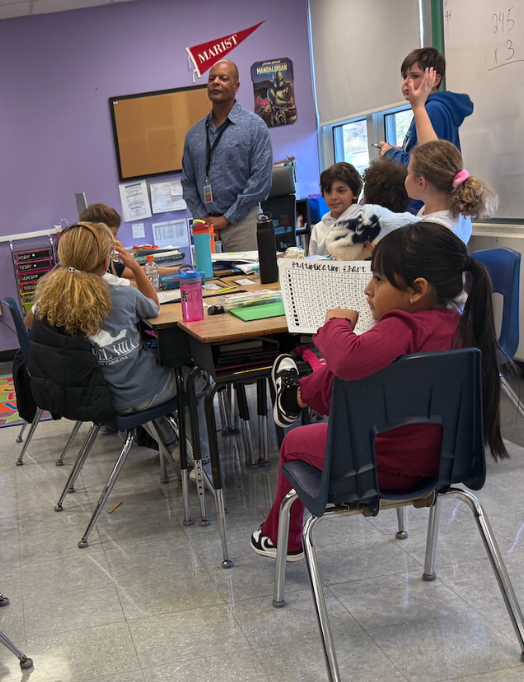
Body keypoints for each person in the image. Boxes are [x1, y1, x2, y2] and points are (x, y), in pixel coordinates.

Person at [251, 222, 506, 560]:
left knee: (295, 439)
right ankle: (296, 394)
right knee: (356, 371)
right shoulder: (463, 324)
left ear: (417, 290)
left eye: (379, 279)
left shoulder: (404, 326)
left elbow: (346, 358)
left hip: (378, 467)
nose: (368, 289)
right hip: (445, 465)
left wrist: (336, 323)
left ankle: (282, 538)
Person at [33, 222, 210, 464]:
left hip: (100, 399)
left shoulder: (54, 304)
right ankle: (200, 458)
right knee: (196, 380)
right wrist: (135, 266)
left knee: (144, 378)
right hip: (139, 393)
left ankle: (170, 445)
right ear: (106, 262)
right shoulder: (124, 295)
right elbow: (154, 307)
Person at [181, 60, 273, 252]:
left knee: (249, 273)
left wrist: (227, 218)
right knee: (206, 272)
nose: (216, 82)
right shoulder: (194, 134)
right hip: (206, 227)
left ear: (236, 86)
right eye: (211, 78)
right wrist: (203, 220)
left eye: (223, 78)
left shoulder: (254, 127)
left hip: (243, 223)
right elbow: (188, 183)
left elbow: (260, 181)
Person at [379, 48, 473, 165]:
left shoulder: (432, 109)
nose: (406, 82)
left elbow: (425, 165)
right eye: (405, 76)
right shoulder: (431, 107)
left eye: (415, 76)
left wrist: (391, 154)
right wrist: (401, 152)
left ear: (435, 80)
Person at [406, 140, 497, 244]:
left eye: (408, 173)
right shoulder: (457, 205)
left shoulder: (432, 232)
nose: (406, 177)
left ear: (421, 183)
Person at [308, 163, 362, 256]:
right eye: (328, 191)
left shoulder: (364, 223)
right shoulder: (318, 229)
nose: (333, 197)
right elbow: (312, 262)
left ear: (356, 193)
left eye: (340, 191)